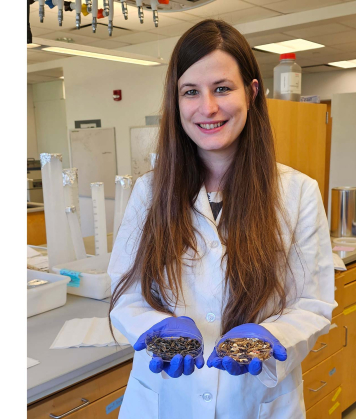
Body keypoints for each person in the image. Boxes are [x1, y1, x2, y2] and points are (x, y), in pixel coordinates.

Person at [108, 19, 336, 419]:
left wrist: (272, 335)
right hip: (163, 400)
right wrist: (155, 326)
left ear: (251, 92)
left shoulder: (298, 192)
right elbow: (126, 294)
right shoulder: (149, 192)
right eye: (191, 91)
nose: (207, 108)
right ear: (175, 100)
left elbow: (313, 303)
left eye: (223, 88)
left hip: (255, 401)